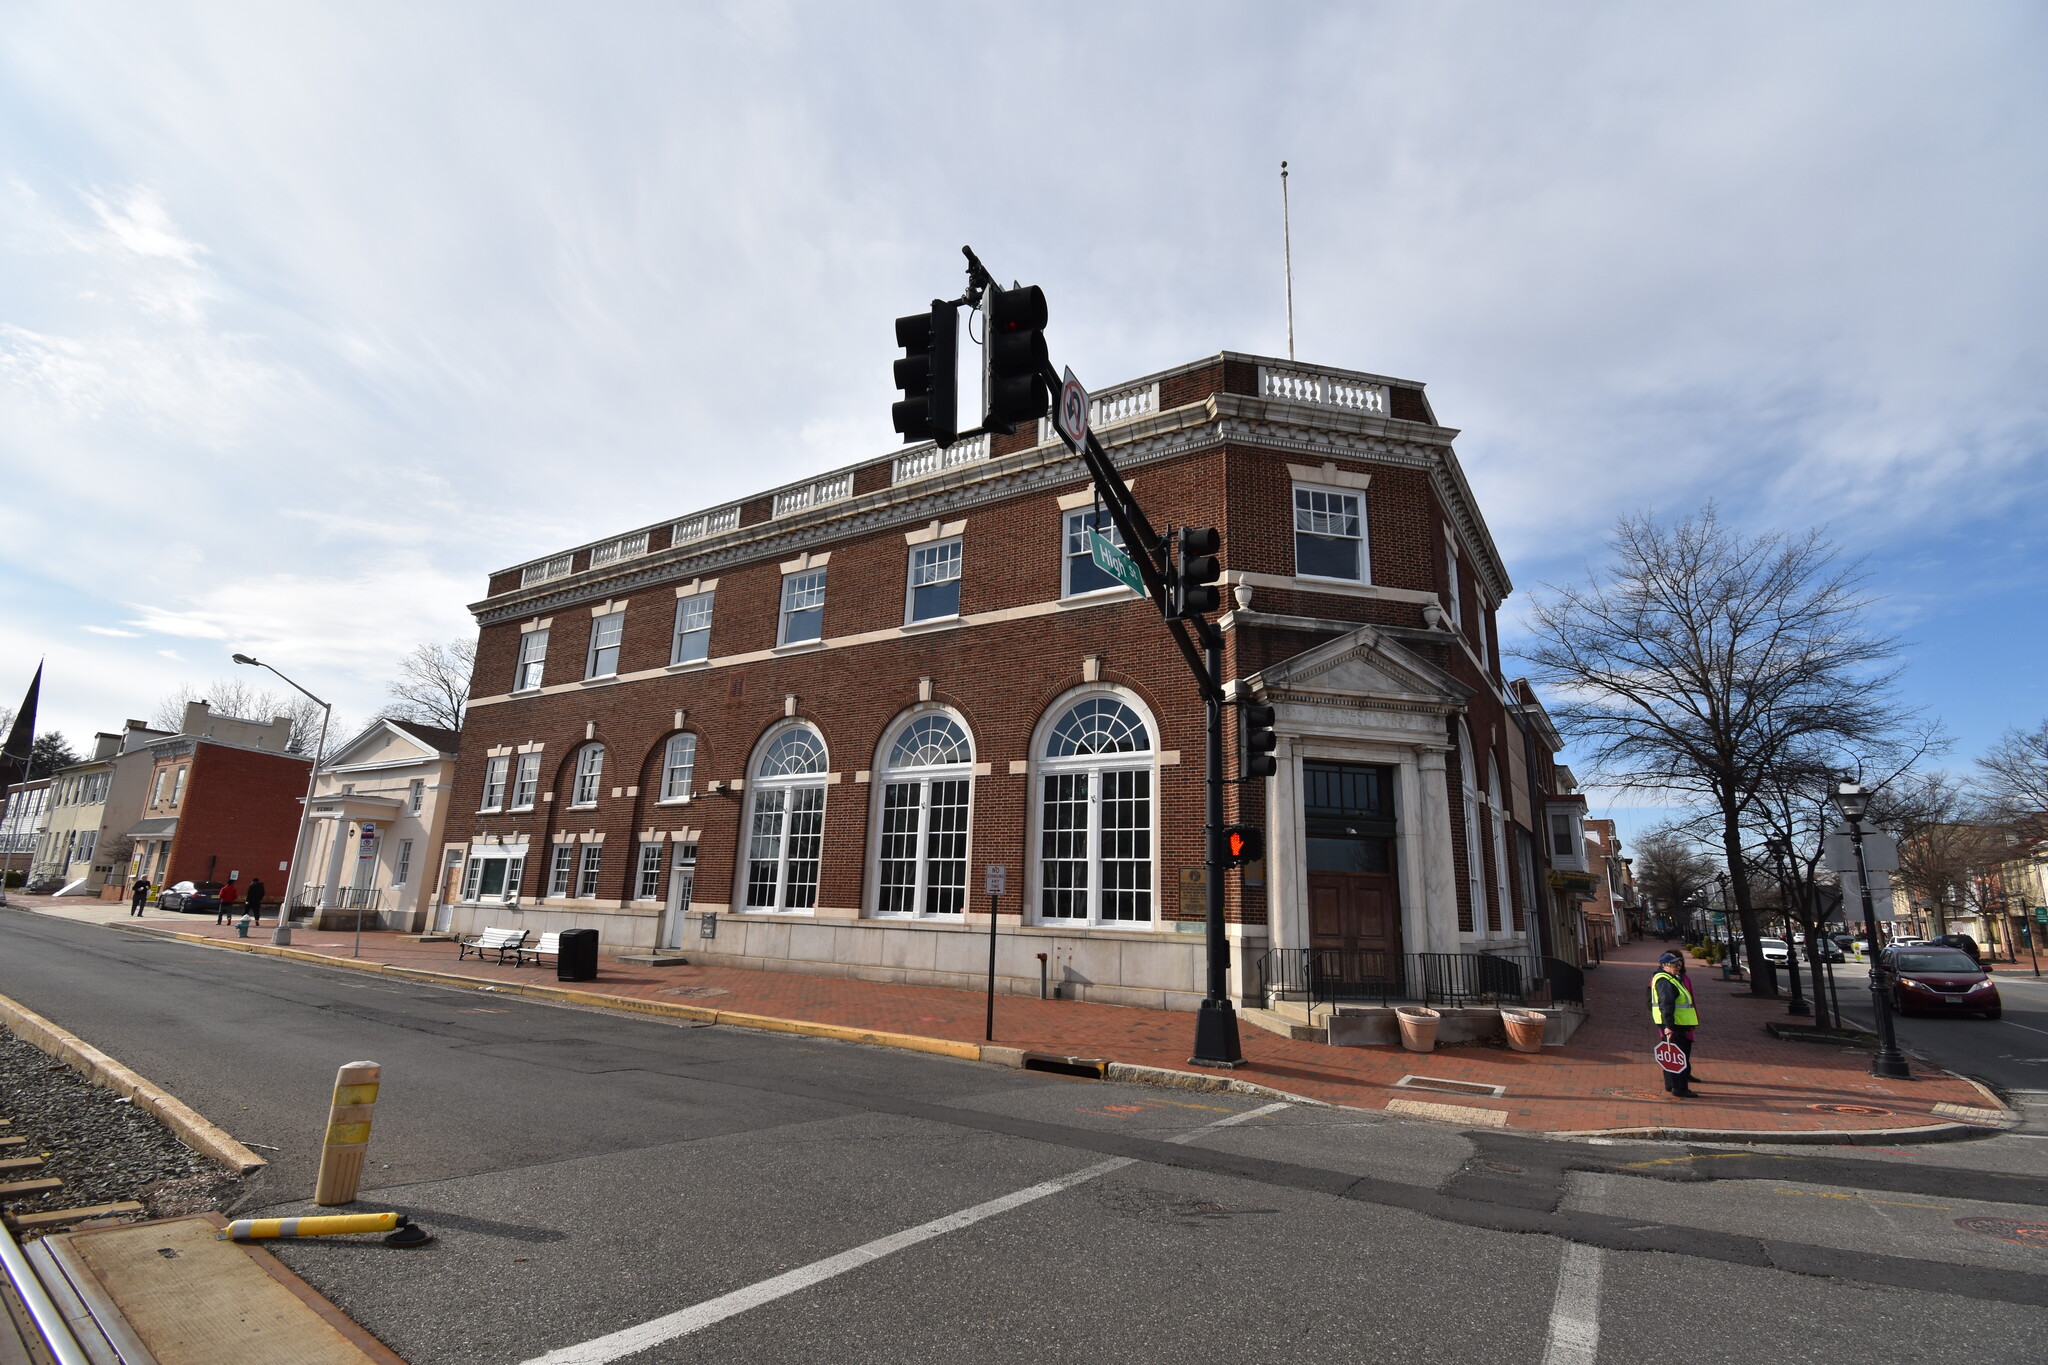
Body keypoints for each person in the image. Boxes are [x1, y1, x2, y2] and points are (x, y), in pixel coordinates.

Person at [1650, 950, 1699, 1098]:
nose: (1677, 967)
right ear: (1664, 965)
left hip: (1678, 1024)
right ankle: (1680, 1088)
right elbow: (1667, 1004)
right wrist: (1669, 1026)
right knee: (1678, 1056)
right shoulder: (1665, 980)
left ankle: (1671, 1084)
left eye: (1678, 964)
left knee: (1671, 1054)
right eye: (1673, 964)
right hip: (1674, 1025)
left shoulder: (1672, 978)